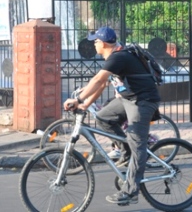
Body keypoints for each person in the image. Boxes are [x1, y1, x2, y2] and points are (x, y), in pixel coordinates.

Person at [63, 27, 160, 205]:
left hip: (142, 101)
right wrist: (85, 104)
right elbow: (101, 84)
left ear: (104, 43)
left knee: (137, 142)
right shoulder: (114, 57)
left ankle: (131, 192)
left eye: (96, 41)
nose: (94, 44)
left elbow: (98, 80)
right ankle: (126, 153)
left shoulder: (118, 57)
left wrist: (77, 99)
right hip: (128, 99)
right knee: (102, 118)